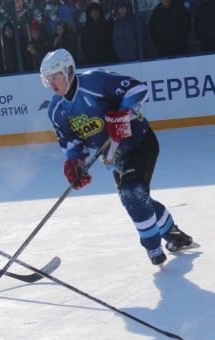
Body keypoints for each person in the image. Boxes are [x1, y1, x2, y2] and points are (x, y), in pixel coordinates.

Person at [40, 49, 195, 266]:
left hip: (139, 142)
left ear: (68, 71)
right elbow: (71, 142)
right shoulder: (56, 110)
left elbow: (137, 89)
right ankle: (174, 235)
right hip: (113, 156)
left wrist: (122, 113)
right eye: (47, 80)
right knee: (135, 197)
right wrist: (75, 163)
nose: (51, 84)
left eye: (55, 77)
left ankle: (153, 247)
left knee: (132, 192)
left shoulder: (95, 81)